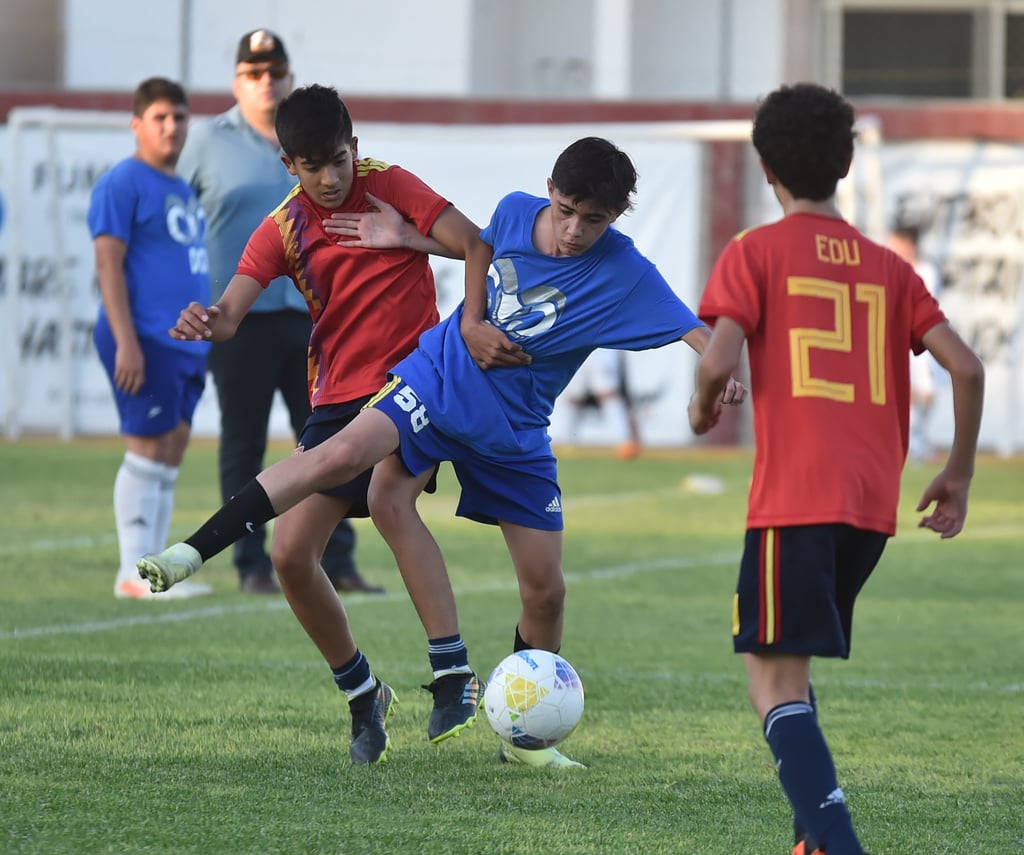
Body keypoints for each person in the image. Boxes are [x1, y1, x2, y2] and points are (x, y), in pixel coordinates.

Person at [138, 135, 747, 767]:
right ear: (549, 190)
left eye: (593, 220)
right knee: (346, 463)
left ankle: (526, 741)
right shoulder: (516, 211)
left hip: (514, 428)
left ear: (616, 216)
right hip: (441, 378)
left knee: (546, 593)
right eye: (566, 210)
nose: (573, 230)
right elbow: (476, 245)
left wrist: (723, 370)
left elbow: (692, 329)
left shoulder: (624, 271)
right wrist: (444, 289)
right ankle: (193, 551)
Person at [142, 83, 489, 763]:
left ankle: (453, 672)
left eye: (337, 159)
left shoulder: (387, 183)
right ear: (288, 166)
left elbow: (476, 244)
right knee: (289, 555)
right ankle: (364, 693)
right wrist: (204, 321)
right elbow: (231, 315)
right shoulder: (282, 228)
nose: (330, 178)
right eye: (312, 165)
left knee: (393, 502)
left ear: (353, 148)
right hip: (335, 400)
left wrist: (408, 240)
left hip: (411, 385)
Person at [687, 83, 984, 855]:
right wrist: (957, 472)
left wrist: (701, 406)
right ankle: (810, 838)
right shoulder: (889, 266)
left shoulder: (754, 249)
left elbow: (718, 356)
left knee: (770, 680)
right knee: (788, 657)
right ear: (848, 162)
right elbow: (969, 367)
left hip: (795, 497)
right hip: (870, 508)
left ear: (764, 168)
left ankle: (837, 842)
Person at [177, 29, 380, 595]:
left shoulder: (317, 140)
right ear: (237, 80)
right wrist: (189, 296)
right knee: (242, 440)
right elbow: (171, 220)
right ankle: (250, 565)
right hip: (241, 316)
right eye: (253, 72)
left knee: (327, 441)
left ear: (289, 76)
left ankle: (337, 561)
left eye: (275, 70)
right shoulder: (205, 141)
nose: (266, 81)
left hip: (318, 320)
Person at [89, 77, 214, 601]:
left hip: (187, 342)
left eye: (180, 117)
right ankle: (131, 575)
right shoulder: (123, 181)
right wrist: (126, 341)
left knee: (171, 448)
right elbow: (107, 263)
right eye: (160, 117)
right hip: (144, 337)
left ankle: (155, 572)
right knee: (147, 447)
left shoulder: (182, 186)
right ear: (138, 124)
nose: (172, 127)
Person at [887, 223, 942, 463]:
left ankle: (919, 449)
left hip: (920, 340)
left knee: (922, 394)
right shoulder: (889, 268)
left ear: (908, 244)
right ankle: (912, 449)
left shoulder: (925, 271)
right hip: (896, 341)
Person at [564, 348, 642, 458]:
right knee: (574, 399)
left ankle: (625, 444)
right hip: (578, 346)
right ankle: (569, 442)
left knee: (608, 396)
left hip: (602, 348)